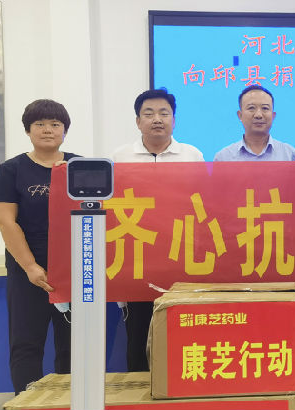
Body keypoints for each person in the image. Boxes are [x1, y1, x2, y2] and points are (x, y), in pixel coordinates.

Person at [111, 88, 204, 372]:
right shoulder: (119, 157)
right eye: (149, 113)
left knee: (182, 332)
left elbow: (203, 205)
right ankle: (138, 392)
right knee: (138, 336)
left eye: (164, 113)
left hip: (181, 258)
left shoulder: (192, 155)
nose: (157, 119)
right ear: (138, 121)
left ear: (174, 119)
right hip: (136, 261)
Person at [0, 99, 78, 394]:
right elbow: (5, 221)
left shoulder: (80, 167)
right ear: (28, 131)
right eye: (39, 124)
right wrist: (30, 266)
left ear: (65, 130)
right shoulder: (12, 170)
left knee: (74, 345)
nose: (47, 130)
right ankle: (27, 402)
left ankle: (72, 401)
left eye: (55, 124)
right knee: (26, 344)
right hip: (27, 271)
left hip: (75, 270)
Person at [213, 85, 295, 161]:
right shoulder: (223, 157)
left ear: (273, 115)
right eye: (251, 108)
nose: (258, 115)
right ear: (240, 115)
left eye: (265, 108)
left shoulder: (289, 155)